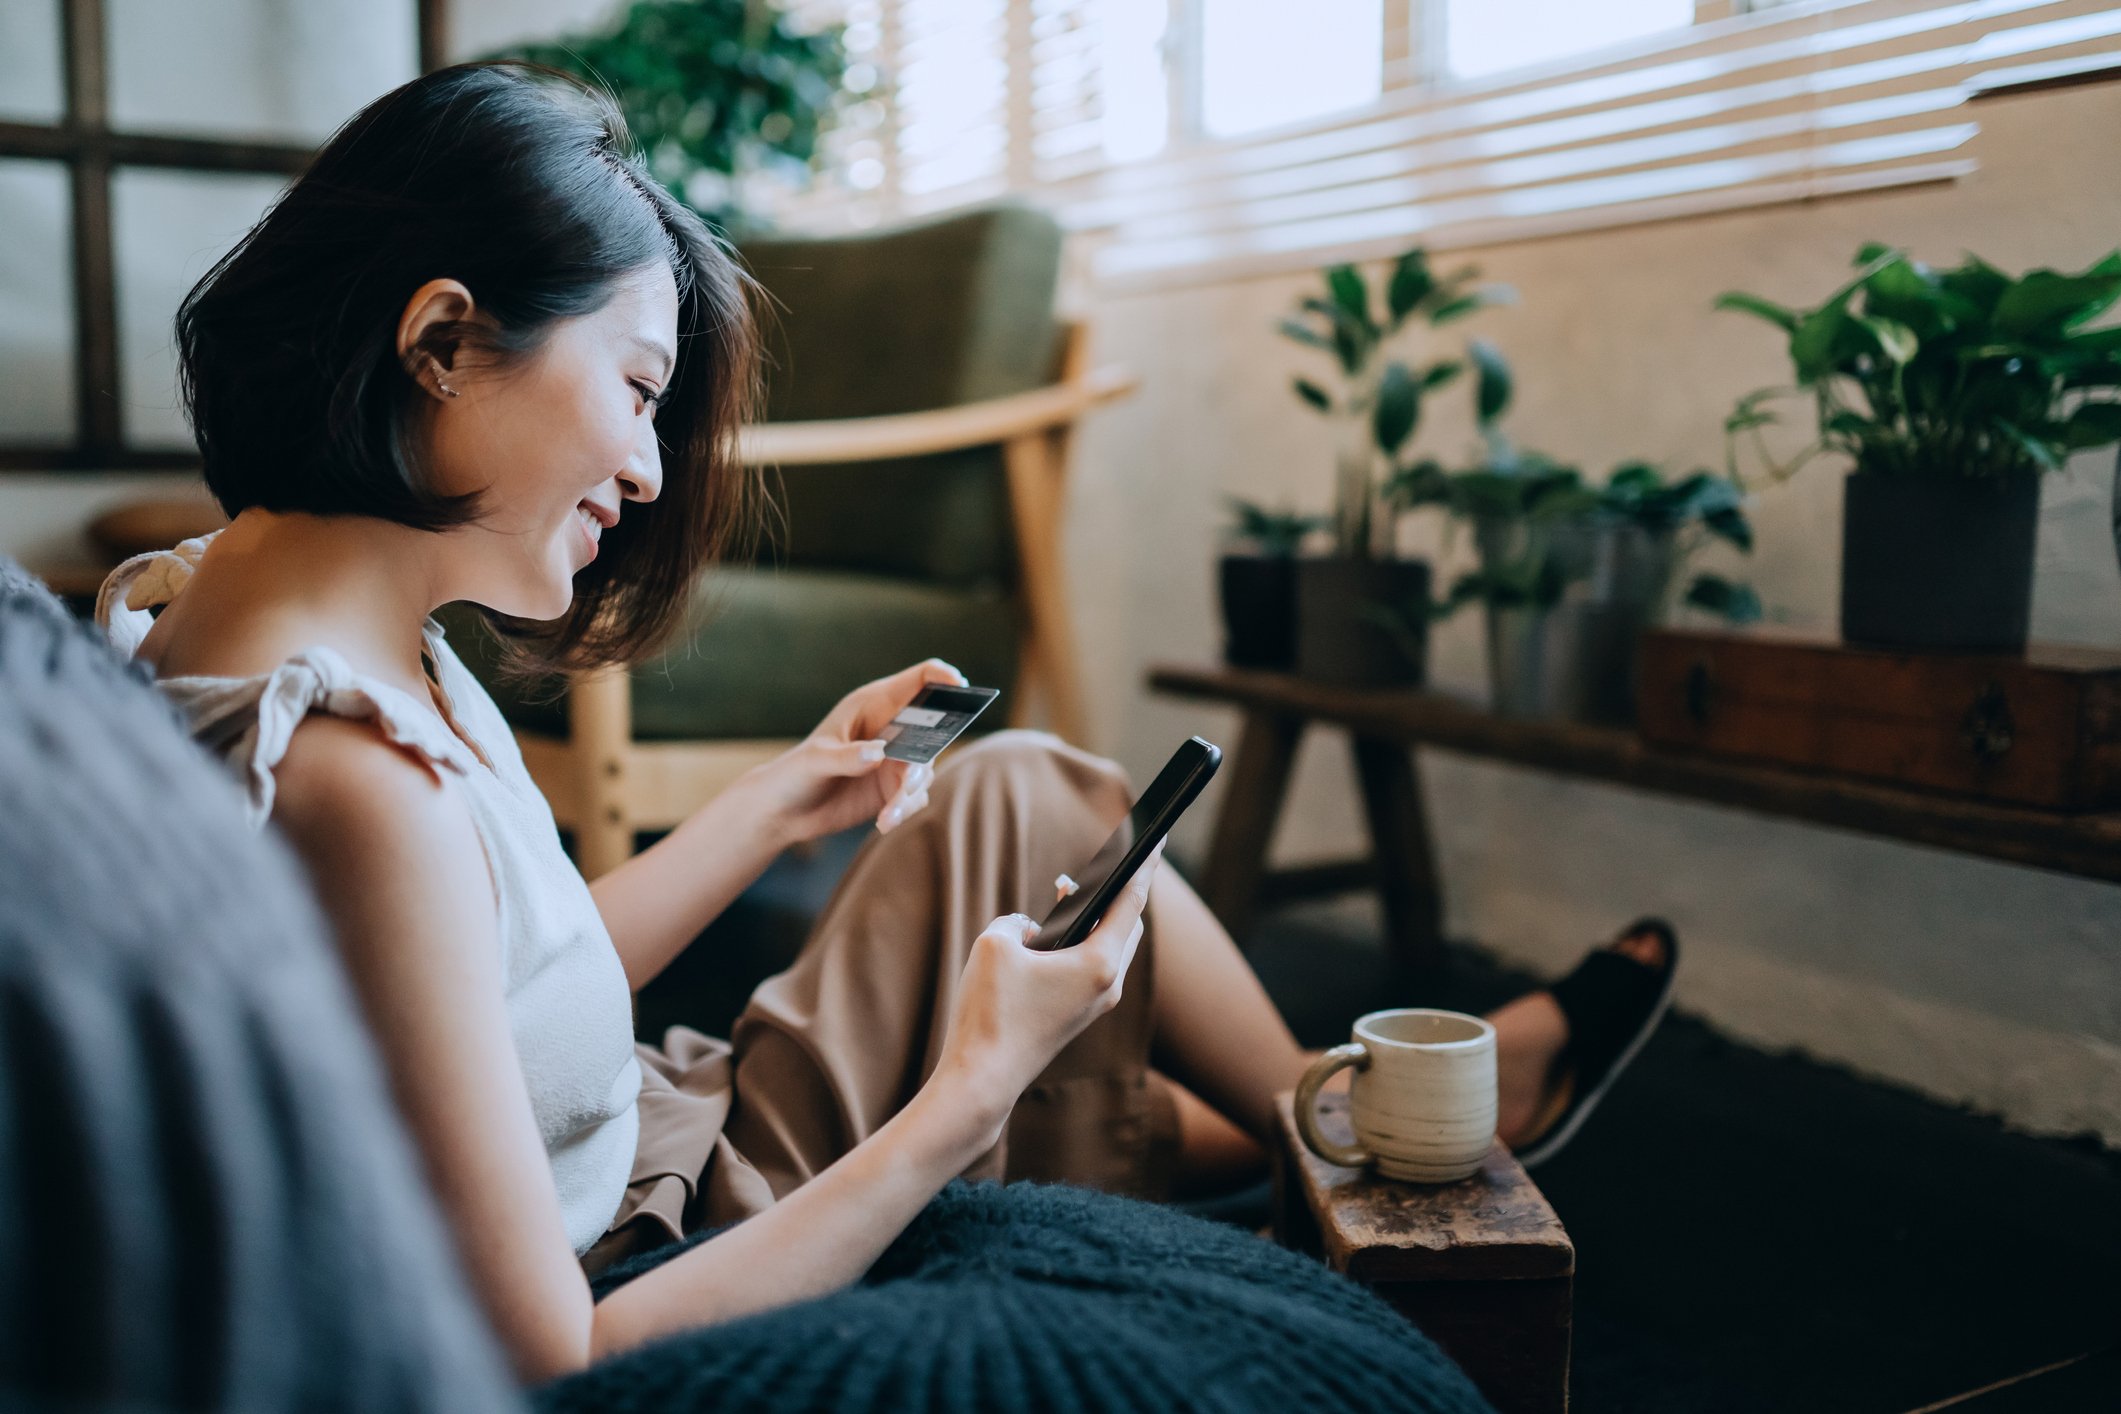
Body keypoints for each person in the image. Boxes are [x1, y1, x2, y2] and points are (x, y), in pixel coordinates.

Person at [96, 62, 1675, 1386]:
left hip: (648, 1110)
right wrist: (967, 1089)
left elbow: (503, 978)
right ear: (442, 344)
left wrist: (782, 797)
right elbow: (561, 1354)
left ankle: (1314, 1113)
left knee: (1017, 794)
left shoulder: (244, 612)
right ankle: (1363, 1140)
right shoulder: (355, 774)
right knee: (1045, 836)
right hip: (668, 1220)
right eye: (638, 389)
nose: (645, 468)